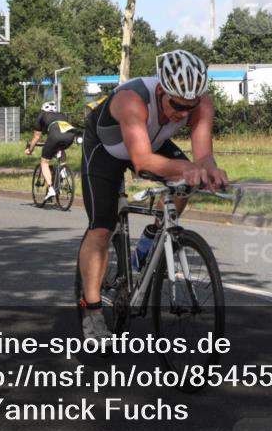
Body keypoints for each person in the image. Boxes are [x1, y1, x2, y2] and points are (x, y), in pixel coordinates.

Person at [78, 50, 228, 340]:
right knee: (101, 228)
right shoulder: (132, 99)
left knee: (185, 186)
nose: (183, 114)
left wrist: (212, 171)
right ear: (161, 90)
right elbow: (142, 161)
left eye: (190, 106)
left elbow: (204, 156)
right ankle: (92, 312)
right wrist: (187, 167)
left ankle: (151, 242)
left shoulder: (201, 103)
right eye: (177, 105)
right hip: (106, 150)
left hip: (151, 143)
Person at [25, 102, 77, 203]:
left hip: (55, 136)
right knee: (60, 148)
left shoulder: (42, 115)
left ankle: (50, 189)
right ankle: (63, 169)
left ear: (43, 110)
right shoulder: (62, 115)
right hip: (70, 136)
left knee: (44, 162)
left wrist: (30, 149)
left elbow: (36, 137)